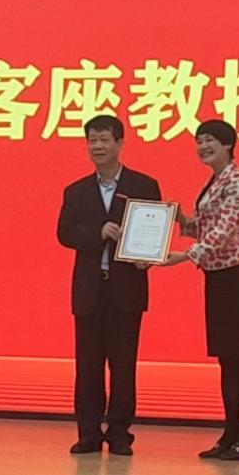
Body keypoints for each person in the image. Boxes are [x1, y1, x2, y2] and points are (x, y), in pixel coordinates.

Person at [152, 119, 239, 461]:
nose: (202, 147)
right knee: (226, 359)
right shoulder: (216, 180)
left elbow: (225, 230)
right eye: (199, 141)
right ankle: (230, 434)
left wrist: (184, 256)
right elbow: (206, 229)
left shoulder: (238, 180)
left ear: (228, 144)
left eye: (209, 140)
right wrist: (181, 220)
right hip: (218, 277)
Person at [57, 115, 161, 457]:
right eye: (92, 140)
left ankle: (119, 434)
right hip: (89, 291)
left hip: (126, 290)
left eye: (104, 140)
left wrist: (149, 255)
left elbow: (153, 230)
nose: (98, 146)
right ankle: (88, 434)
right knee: (87, 368)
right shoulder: (75, 190)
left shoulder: (144, 185)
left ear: (120, 143)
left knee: (123, 367)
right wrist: (98, 232)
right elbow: (65, 233)